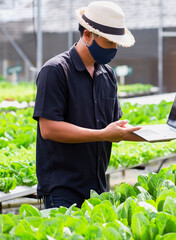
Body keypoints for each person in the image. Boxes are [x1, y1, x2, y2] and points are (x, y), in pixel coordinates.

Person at [33, 1, 144, 209]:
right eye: (110, 42)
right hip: (62, 191)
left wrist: (155, 135)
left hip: (97, 188)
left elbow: (114, 128)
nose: (114, 48)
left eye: (116, 43)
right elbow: (49, 129)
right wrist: (102, 135)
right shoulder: (56, 71)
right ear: (87, 35)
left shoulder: (107, 75)